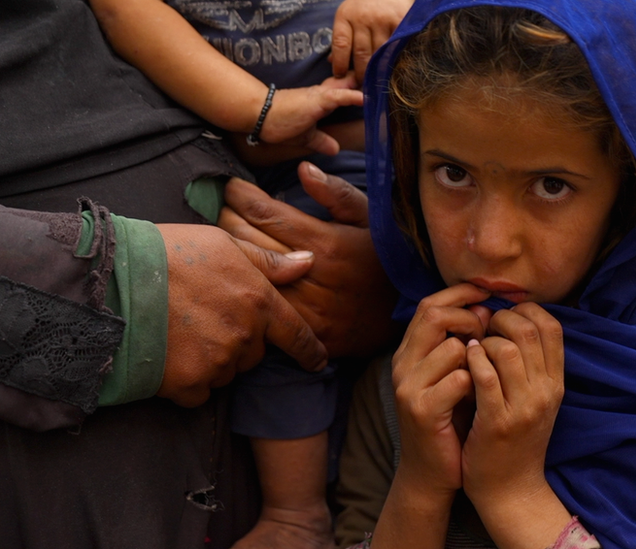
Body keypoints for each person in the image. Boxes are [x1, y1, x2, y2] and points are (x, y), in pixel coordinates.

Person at [329, 2, 636, 548]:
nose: (490, 243)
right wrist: (420, 485)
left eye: (550, 186)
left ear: (633, 200)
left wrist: (514, 494)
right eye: (453, 173)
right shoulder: (413, 388)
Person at [0, 0, 398, 546]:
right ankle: (295, 512)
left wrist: (404, 271)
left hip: (355, 181)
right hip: (91, 396)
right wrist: (132, 288)